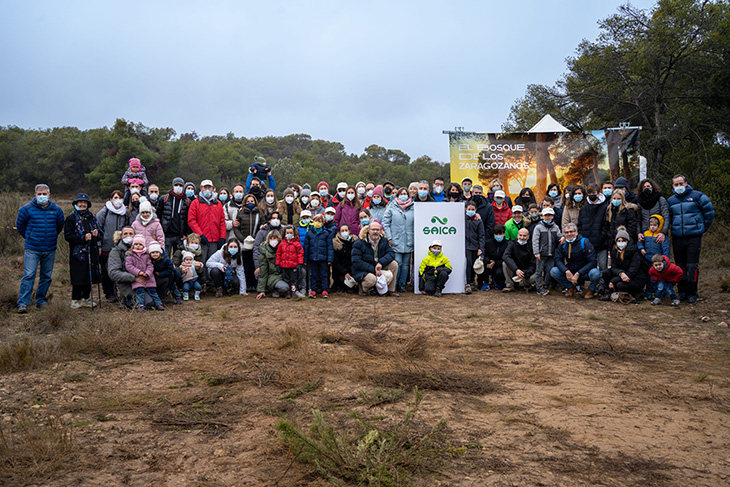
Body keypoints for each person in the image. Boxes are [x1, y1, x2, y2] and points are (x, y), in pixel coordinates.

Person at [15, 183, 65, 313]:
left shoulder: (57, 210)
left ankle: (41, 300)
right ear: (35, 195)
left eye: (44, 194)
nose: (42, 196)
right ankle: (23, 303)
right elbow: (20, 226)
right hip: (32, 248)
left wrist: (51, 237)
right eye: (39, 194)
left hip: (49, 248)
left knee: (46, 276)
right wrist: (30, 237)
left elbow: (59, 226)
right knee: (29, 275)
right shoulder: (26, 209)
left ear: (49, 195)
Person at [667, 174, 715, 303]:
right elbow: (669, 218)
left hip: (693, 237)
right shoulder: (671, 200)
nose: (679, 186)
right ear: (673, 186)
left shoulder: (698, 196)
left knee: (692, 265)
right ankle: (682, 291)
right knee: (680, 265)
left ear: (686, 183)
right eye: (676, 184)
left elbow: (709, 213)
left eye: (681, 183)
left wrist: (702, 228)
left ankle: (692, 292)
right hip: (677, 237)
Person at [64, 193, 102, 309]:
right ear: (76, 204)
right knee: (78, 276)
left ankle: (86, 298)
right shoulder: (71, 218)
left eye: (85, 203)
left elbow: (100, 234)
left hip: (92, 251)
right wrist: (82, 238)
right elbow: (68, 236)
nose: (82, 204)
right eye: (80, 202)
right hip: (77, 253)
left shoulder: (92, 217)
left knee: (89, 275)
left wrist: (97, 234)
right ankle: (75, 299)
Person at [187, 179, 227, 286]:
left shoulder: (217, 204)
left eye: (209, 187)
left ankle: (212, 283)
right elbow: (191, 220)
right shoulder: (195, 203)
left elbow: (222, 221)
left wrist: (222, 236)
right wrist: (200, 234)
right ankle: (202, 283)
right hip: (202, 239)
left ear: (213, 189)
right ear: (201, 189)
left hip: (215, 239)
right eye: (205, 187)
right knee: (202, 262)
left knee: (213, 262)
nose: (207, 190)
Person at [550, 223, 601, 298]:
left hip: (584, 271)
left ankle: (591, 290)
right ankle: (570, 287)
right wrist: (566, 271)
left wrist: (579, 273)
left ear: (576, 232)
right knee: (554, 271)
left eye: (571, 231)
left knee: (595, 273)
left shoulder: (585, 242)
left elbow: (593, 261)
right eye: (567, 232)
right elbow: (558, 259)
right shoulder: (563, 244)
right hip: (571, 271)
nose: (569, 234)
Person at [96, 190, 129, 302]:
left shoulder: (125, 212)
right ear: (110, 199)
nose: (117, 200)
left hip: (120, 248)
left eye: (120, 198)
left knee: (119, 270)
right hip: (105, 247)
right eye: (115, 197)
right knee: (106, 272)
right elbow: (98, 230)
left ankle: (121, 293)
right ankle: (109, 293)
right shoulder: (103, 212)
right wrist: (99, 245)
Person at [351, 221, 399, 296]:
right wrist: (374, 269)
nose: (375, 232)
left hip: (378, 265)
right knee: (372, 279)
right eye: (373, 230)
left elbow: (391, 253)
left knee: (394, 264)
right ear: (368, 230)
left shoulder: (384, 241)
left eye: (377, 230)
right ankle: (364, 289)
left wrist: (381, 263)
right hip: (364, 270)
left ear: (380, 231)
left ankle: (390, 290)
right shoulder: (359, 242)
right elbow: (356, 262)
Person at [600, 227, 647, 300]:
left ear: (627, 241)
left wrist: (614, 280)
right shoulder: (614, 251)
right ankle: (610, 292)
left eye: (623, 240)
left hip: (634, 277)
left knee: (620, 285)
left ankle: (634, 293)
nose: (621, 242)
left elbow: (633, 270)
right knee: (606, 273)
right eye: (619, 240)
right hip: (622, 274)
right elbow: (614, 267)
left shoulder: (634, 251)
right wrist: (621, 273)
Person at [382, 187, 414, 293]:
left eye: (405, 194)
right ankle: (394, 283)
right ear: (397, 195)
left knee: (406, 265)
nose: (403, 195)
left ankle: (402, 284)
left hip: (409, 240)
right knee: (398, 263)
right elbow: (385, 222)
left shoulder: (413, 207)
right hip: (396, 240)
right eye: (401, 194)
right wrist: (389, 237)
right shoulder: (391, 207)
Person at [125, 235, 164, 312]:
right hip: (138, 278)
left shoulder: (146, 255)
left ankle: (158, 304)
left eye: (140, 244)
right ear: (133, 245)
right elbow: (129, 266)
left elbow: (150, 266)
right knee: (140, 292)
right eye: (136, 244)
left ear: (143, 246)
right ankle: (140, 305)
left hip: (148, 278)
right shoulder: (130, 255)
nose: (138, 246)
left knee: (153, 291)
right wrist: (138, 272)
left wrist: (147, 273)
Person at [232, 193, 261, 290]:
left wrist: (256, 238)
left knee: (254, 263)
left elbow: (262, 227)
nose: (250, 203)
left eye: (252, 201)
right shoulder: (240, 213)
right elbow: (236, 228)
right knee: (246, 264)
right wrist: (242, 239)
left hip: (255, 242)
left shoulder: (259, 213)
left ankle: (255, 283)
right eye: (248, 201)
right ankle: (248, 284)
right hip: (244, 243)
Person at [577, 183, 609, 271]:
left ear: (599, 193)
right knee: (588, 267)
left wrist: (601, 237)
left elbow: (606, 225)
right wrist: (583, 238)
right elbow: (580, 225)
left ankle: (603, 284)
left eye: (594, 193)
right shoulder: (583, 209)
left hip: (601, 244)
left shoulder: (605, 208)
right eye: (590, 194)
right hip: (587, 244)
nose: (592, 195)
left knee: (603, 266)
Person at [638, 215, 670, 299]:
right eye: (651, 225)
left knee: (657, 278)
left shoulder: (661, 236)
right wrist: (641, 248)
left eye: (655, 225)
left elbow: (666, 249)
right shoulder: (645, 233)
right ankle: (649, 291)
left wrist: (665, 260)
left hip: (657, 261)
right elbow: (640, 242)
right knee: (648, 277)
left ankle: (660, 292)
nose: (652, 227)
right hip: (647, 259)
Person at [532, 207, 562, 296]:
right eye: (546, 215)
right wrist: (536, 252)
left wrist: (562, 238)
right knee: (539, 271)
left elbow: (559, 236)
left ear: (552, 216)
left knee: (549, 270)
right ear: (542, 216)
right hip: (541, 254)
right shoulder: (538, 227)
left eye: (549, 215)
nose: (548, 217)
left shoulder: (555, 227)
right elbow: (535, 241)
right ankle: (539, 288)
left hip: (551, 253)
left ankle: (545, 285)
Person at [159, 177, 191, 256]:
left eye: (180, 185)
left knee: (177, 258)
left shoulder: (187, 201)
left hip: (179, 236)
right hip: (166, 234)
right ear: (173, 186)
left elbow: (188, 219)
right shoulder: (164, 199)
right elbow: (158, 215)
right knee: (165, 257)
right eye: (176, 185)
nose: (178, 187)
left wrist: (186, 234)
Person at [304, 214, 333, 298]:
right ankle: (313, 290)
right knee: (313, 275)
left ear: (323, 223)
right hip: (312, 258)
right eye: (316, 221)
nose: (317, 223)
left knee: (324, 275)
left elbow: (330, 247)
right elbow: (306, 247)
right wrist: (305, 260)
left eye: (319, 221)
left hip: (323, 258)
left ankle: (325, 290)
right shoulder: (309, 234)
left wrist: (330, 259)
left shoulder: (326, 234)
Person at [255, 230, 290, 299]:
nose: (273, 240)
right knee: (284, 287)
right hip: (272, 276)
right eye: (271, 239)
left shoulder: (284, 248)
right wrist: (261, 290)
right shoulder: (264, 251)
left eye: (275, 238)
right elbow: (263, 270)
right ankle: (274, 289)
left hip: (283, 274)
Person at [108, 227, 137, 307]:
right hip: (126, 283)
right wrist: (134, 277)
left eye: (131, 234)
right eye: (125, 234)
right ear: (121, 236)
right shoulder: (115, 251)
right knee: (138, 301)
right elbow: (113, 273)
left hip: (142, 283)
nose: (128, 236)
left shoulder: (141, 248)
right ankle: (125, 298)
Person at [636, 178, 670, 245]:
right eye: (644, 187)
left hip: (659, 234)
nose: (646, 188)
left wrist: (663, 232)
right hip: (645, 234)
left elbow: (666, 216)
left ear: (652, 187)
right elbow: (638, 219)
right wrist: (638, 232)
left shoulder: (660, 199)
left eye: (648, 186)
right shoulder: (639, 202)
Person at [502, 228, 536, 293]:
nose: (522, 238)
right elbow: (505, 256)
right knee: (505, 263)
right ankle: (509, 285)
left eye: (524, 236)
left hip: (527, 271)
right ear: (517, 235)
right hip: (515, 269)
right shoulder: (512, 243)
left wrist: (527, 274)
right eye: (520, 235)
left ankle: (526, 284)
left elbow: (533, 262)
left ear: (528, 236)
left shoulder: (532, 245)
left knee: (539, 273)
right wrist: (516, 269)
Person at [276, 226, 304, 298]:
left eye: (291, 233)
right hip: (284, 266)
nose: (289, 234)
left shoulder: (297, 244)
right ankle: (287, 292)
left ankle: (294, 291)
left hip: (293, 266)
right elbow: (278, 254)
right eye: (287, 233)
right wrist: (277, 264)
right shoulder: (281, 244)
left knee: (293, 280)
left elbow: (300, 254)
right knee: (286, 279)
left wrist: (300, 263)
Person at [464, 201, 485, 294]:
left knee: (473, 265)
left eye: (473, 209)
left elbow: (481, 236)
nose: (471, 211)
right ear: (465, 209)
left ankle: (472, 282)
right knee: (468, 264)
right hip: (465, 246)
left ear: (476, 210)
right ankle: (467, 283)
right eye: (469, 209)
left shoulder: (478, 221)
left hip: (474, 246)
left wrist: (481, 248)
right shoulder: (462, 219)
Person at [331, 224, 357, 294]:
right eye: (342, 231)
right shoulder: (335, 243)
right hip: (341, 270)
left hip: (352, 269)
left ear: (349, 231)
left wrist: (350, 272)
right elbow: (336, 262)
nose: (344, 232)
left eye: (346, 230)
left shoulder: (355, 241)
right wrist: (345, 272)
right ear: (339, 232)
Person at [482, 224, 508, 290]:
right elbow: (485, 255)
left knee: (500, 272)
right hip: (489, 264)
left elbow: (506, 258)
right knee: (485, 260)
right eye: (496, 234)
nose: (498, 236)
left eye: (500, 234)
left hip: (500, 265)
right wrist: (489, 262)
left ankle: (497, 282)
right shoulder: (488, 243)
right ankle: (486, 282)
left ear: (504, 234)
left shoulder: (507, 244)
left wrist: (495, 263)